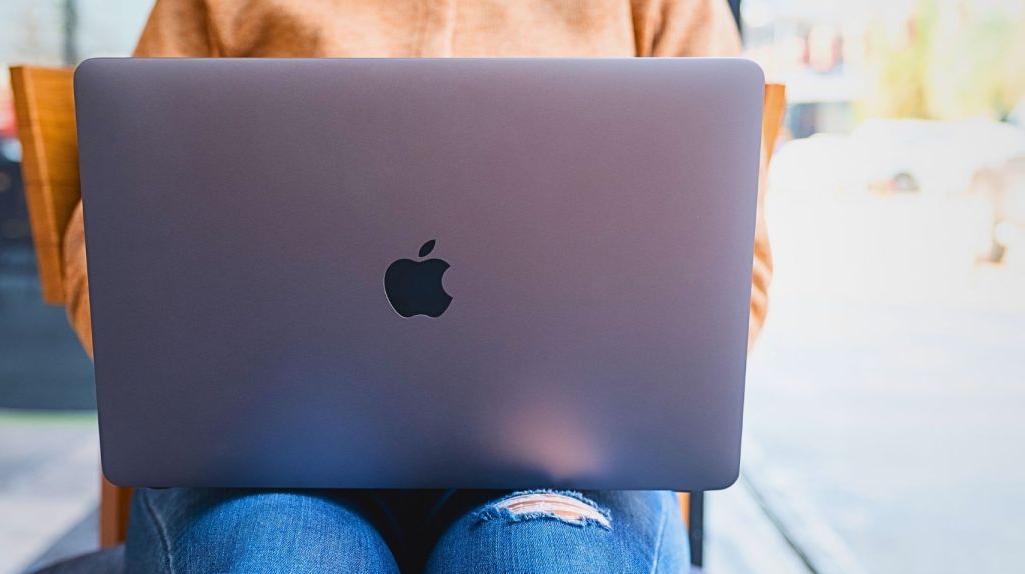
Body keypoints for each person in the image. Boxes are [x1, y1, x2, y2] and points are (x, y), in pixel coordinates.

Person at [61, 1, 773, 572]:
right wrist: (204, 395)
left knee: (545, 557)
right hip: (262, 457)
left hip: (568, 454)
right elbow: (113, 237)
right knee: (277, 559)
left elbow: (734, 266)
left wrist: (624, 396)